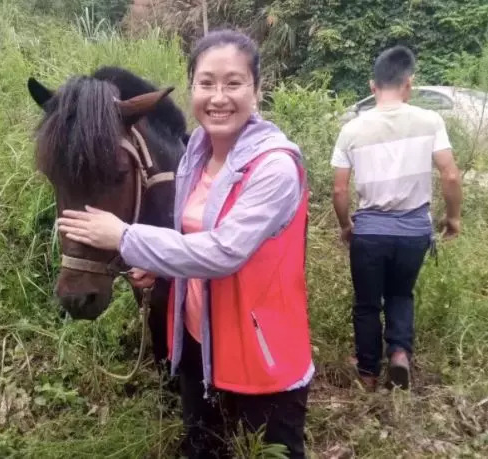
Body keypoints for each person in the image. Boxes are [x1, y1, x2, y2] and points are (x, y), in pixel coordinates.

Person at [57, 30, 314, 459]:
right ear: (191, 86)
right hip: (199, 336)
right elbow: (189, 234)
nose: (218, 96)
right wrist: (161, 265)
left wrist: (123, 236)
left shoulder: (274, 167)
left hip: (260, 352)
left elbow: (224, 251)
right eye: (206, 82)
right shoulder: (196, 149)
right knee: (202, 446)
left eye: (233, 83)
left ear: (257, 89)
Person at [331, 45, 463, 391]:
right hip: (414, 232)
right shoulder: (430, 120)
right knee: (401, 295)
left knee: (367, 303)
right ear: (409, 84)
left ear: (373, 86)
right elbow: (450, 175)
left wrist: (347, 226)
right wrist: (454, 219)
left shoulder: (352, 129)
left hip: (370, 232)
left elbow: (340, 192)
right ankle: (400, 353)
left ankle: (368, 373)